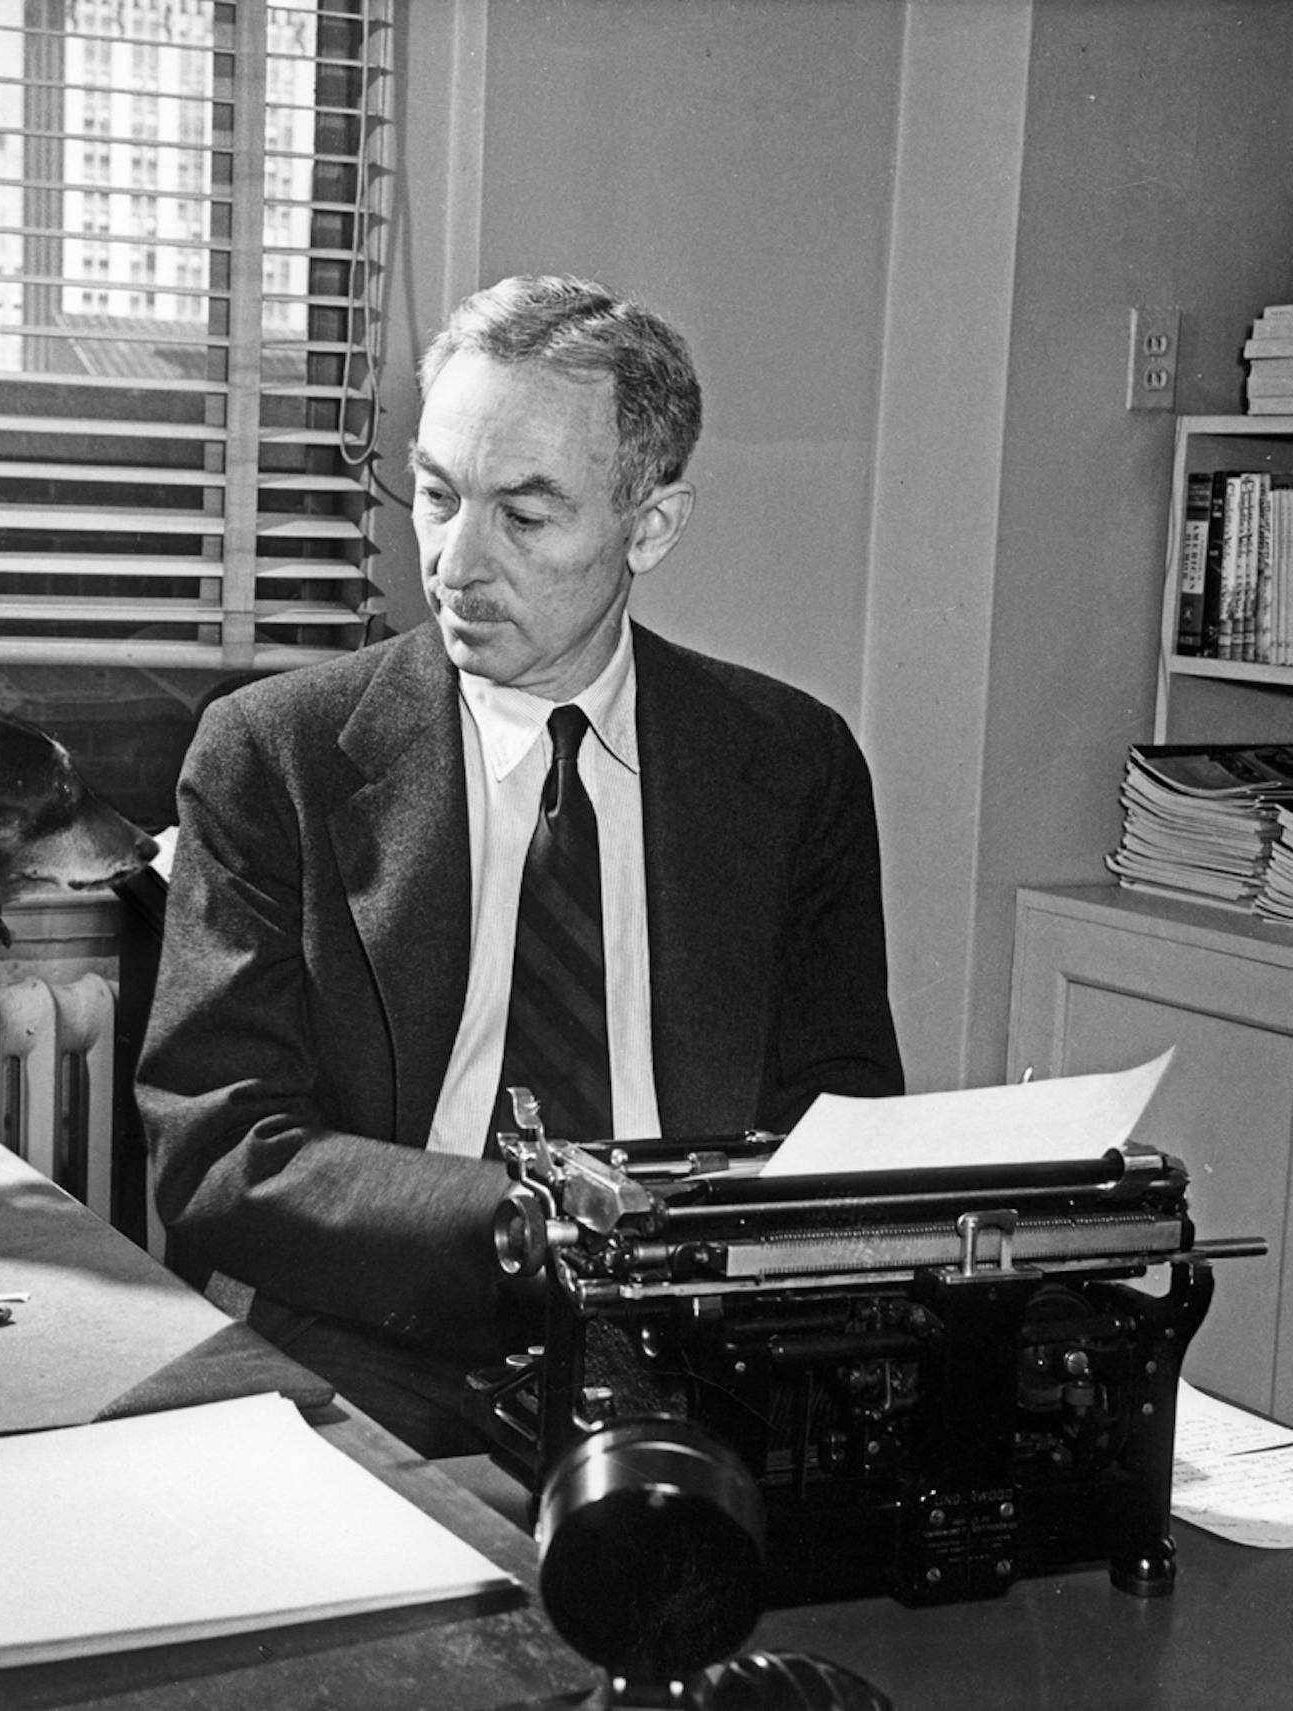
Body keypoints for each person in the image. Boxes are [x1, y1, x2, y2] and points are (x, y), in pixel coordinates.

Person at [137, 275, 902, 1455]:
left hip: (700, 1351)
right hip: (388, 1334)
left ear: (651, 525)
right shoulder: (271, 753)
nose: (454, 563)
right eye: (436, 497)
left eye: (525, 516)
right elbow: (219, 1152)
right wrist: (541, 1223)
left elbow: (840, 1116)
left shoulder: (792, 766)